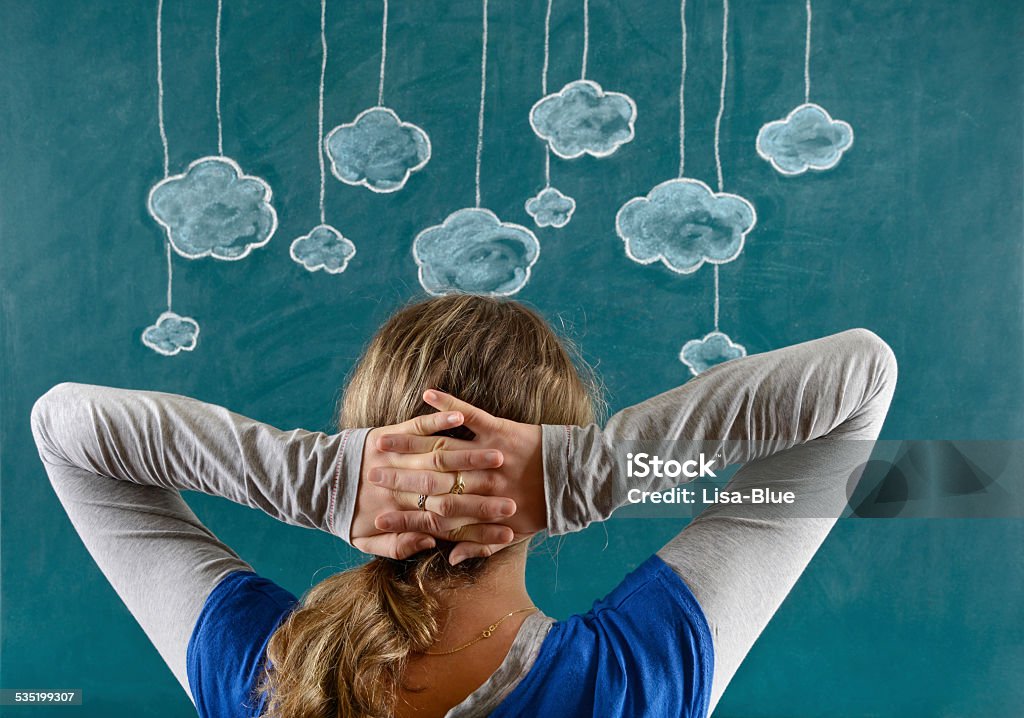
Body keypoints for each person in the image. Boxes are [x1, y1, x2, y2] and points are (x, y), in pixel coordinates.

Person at [29, 293, 897, 718]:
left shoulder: (261, 670)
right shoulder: (642, 677)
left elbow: (67, 429)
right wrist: (591, 472)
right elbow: (859, 381)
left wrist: (315, 481)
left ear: (366, 444)